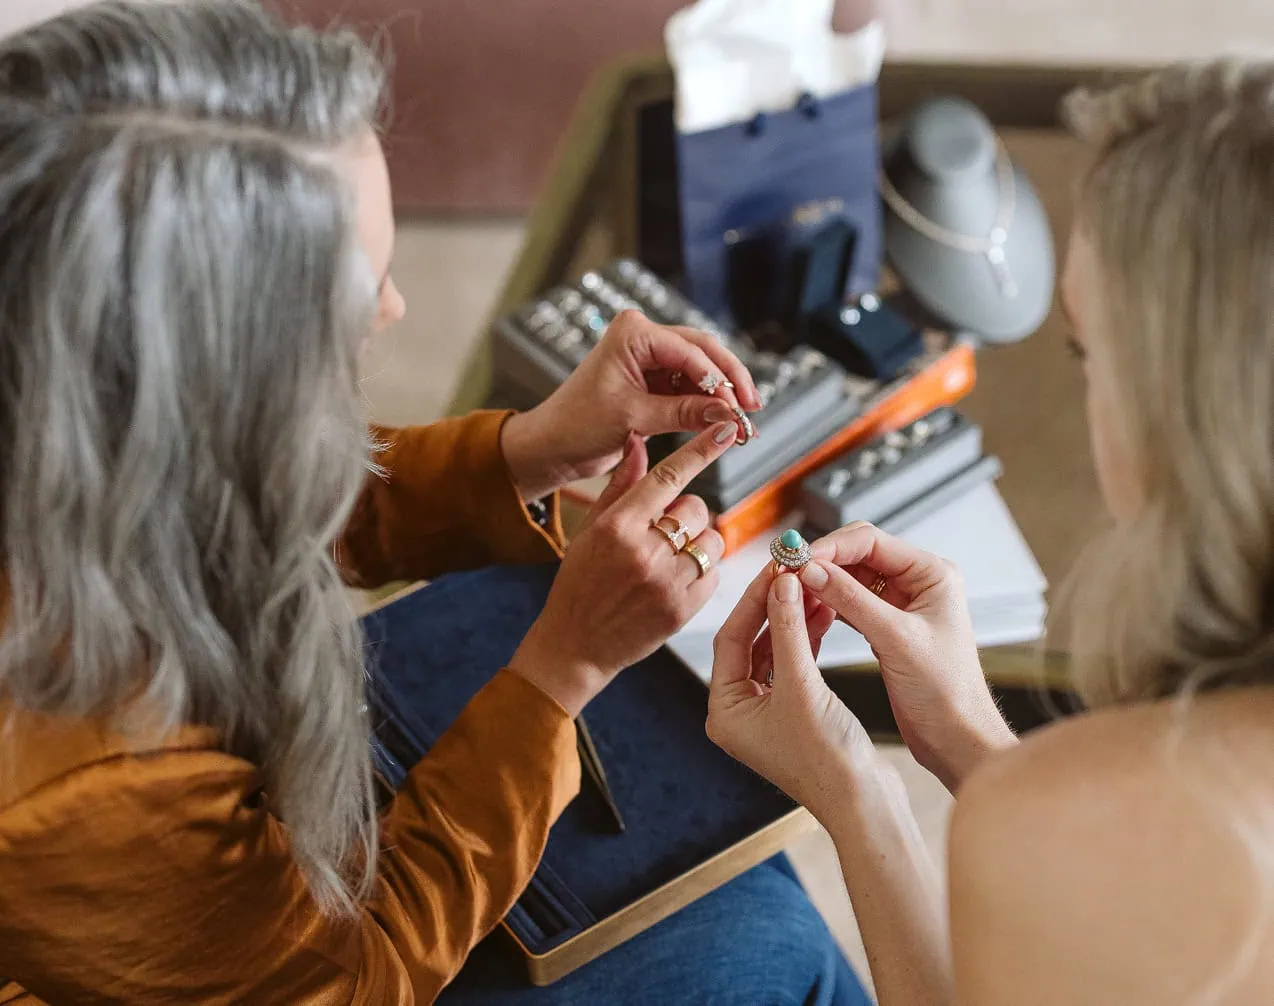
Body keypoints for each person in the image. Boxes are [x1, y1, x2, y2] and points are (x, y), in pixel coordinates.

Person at [0, 2, 868, 1003]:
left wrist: (526, 447)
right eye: (361, 286)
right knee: (768, 938)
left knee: (713, 839)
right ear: (203, 381)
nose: (394, 309)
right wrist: (561, 667)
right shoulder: (93, 783)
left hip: (210, 881)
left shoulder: (62, 393)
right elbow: (355, 980)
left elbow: (244, 495)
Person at [706, 59, 1274, 1004]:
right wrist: (972, 743)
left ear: (1184, 420)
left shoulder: (1083, 828)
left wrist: (863, 798)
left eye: (1088, 353)